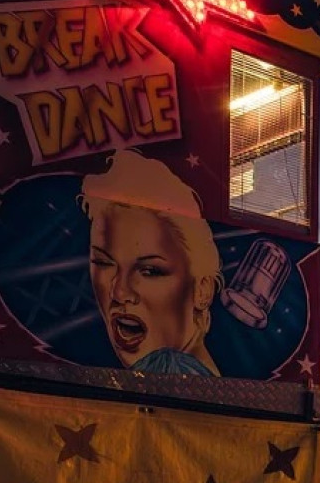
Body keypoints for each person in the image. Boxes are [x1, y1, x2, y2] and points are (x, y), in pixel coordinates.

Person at [81, 150, 223, 376]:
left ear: (203, 290)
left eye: (150, 271)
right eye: (103, 262)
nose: (119, 292)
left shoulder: (184, 383)